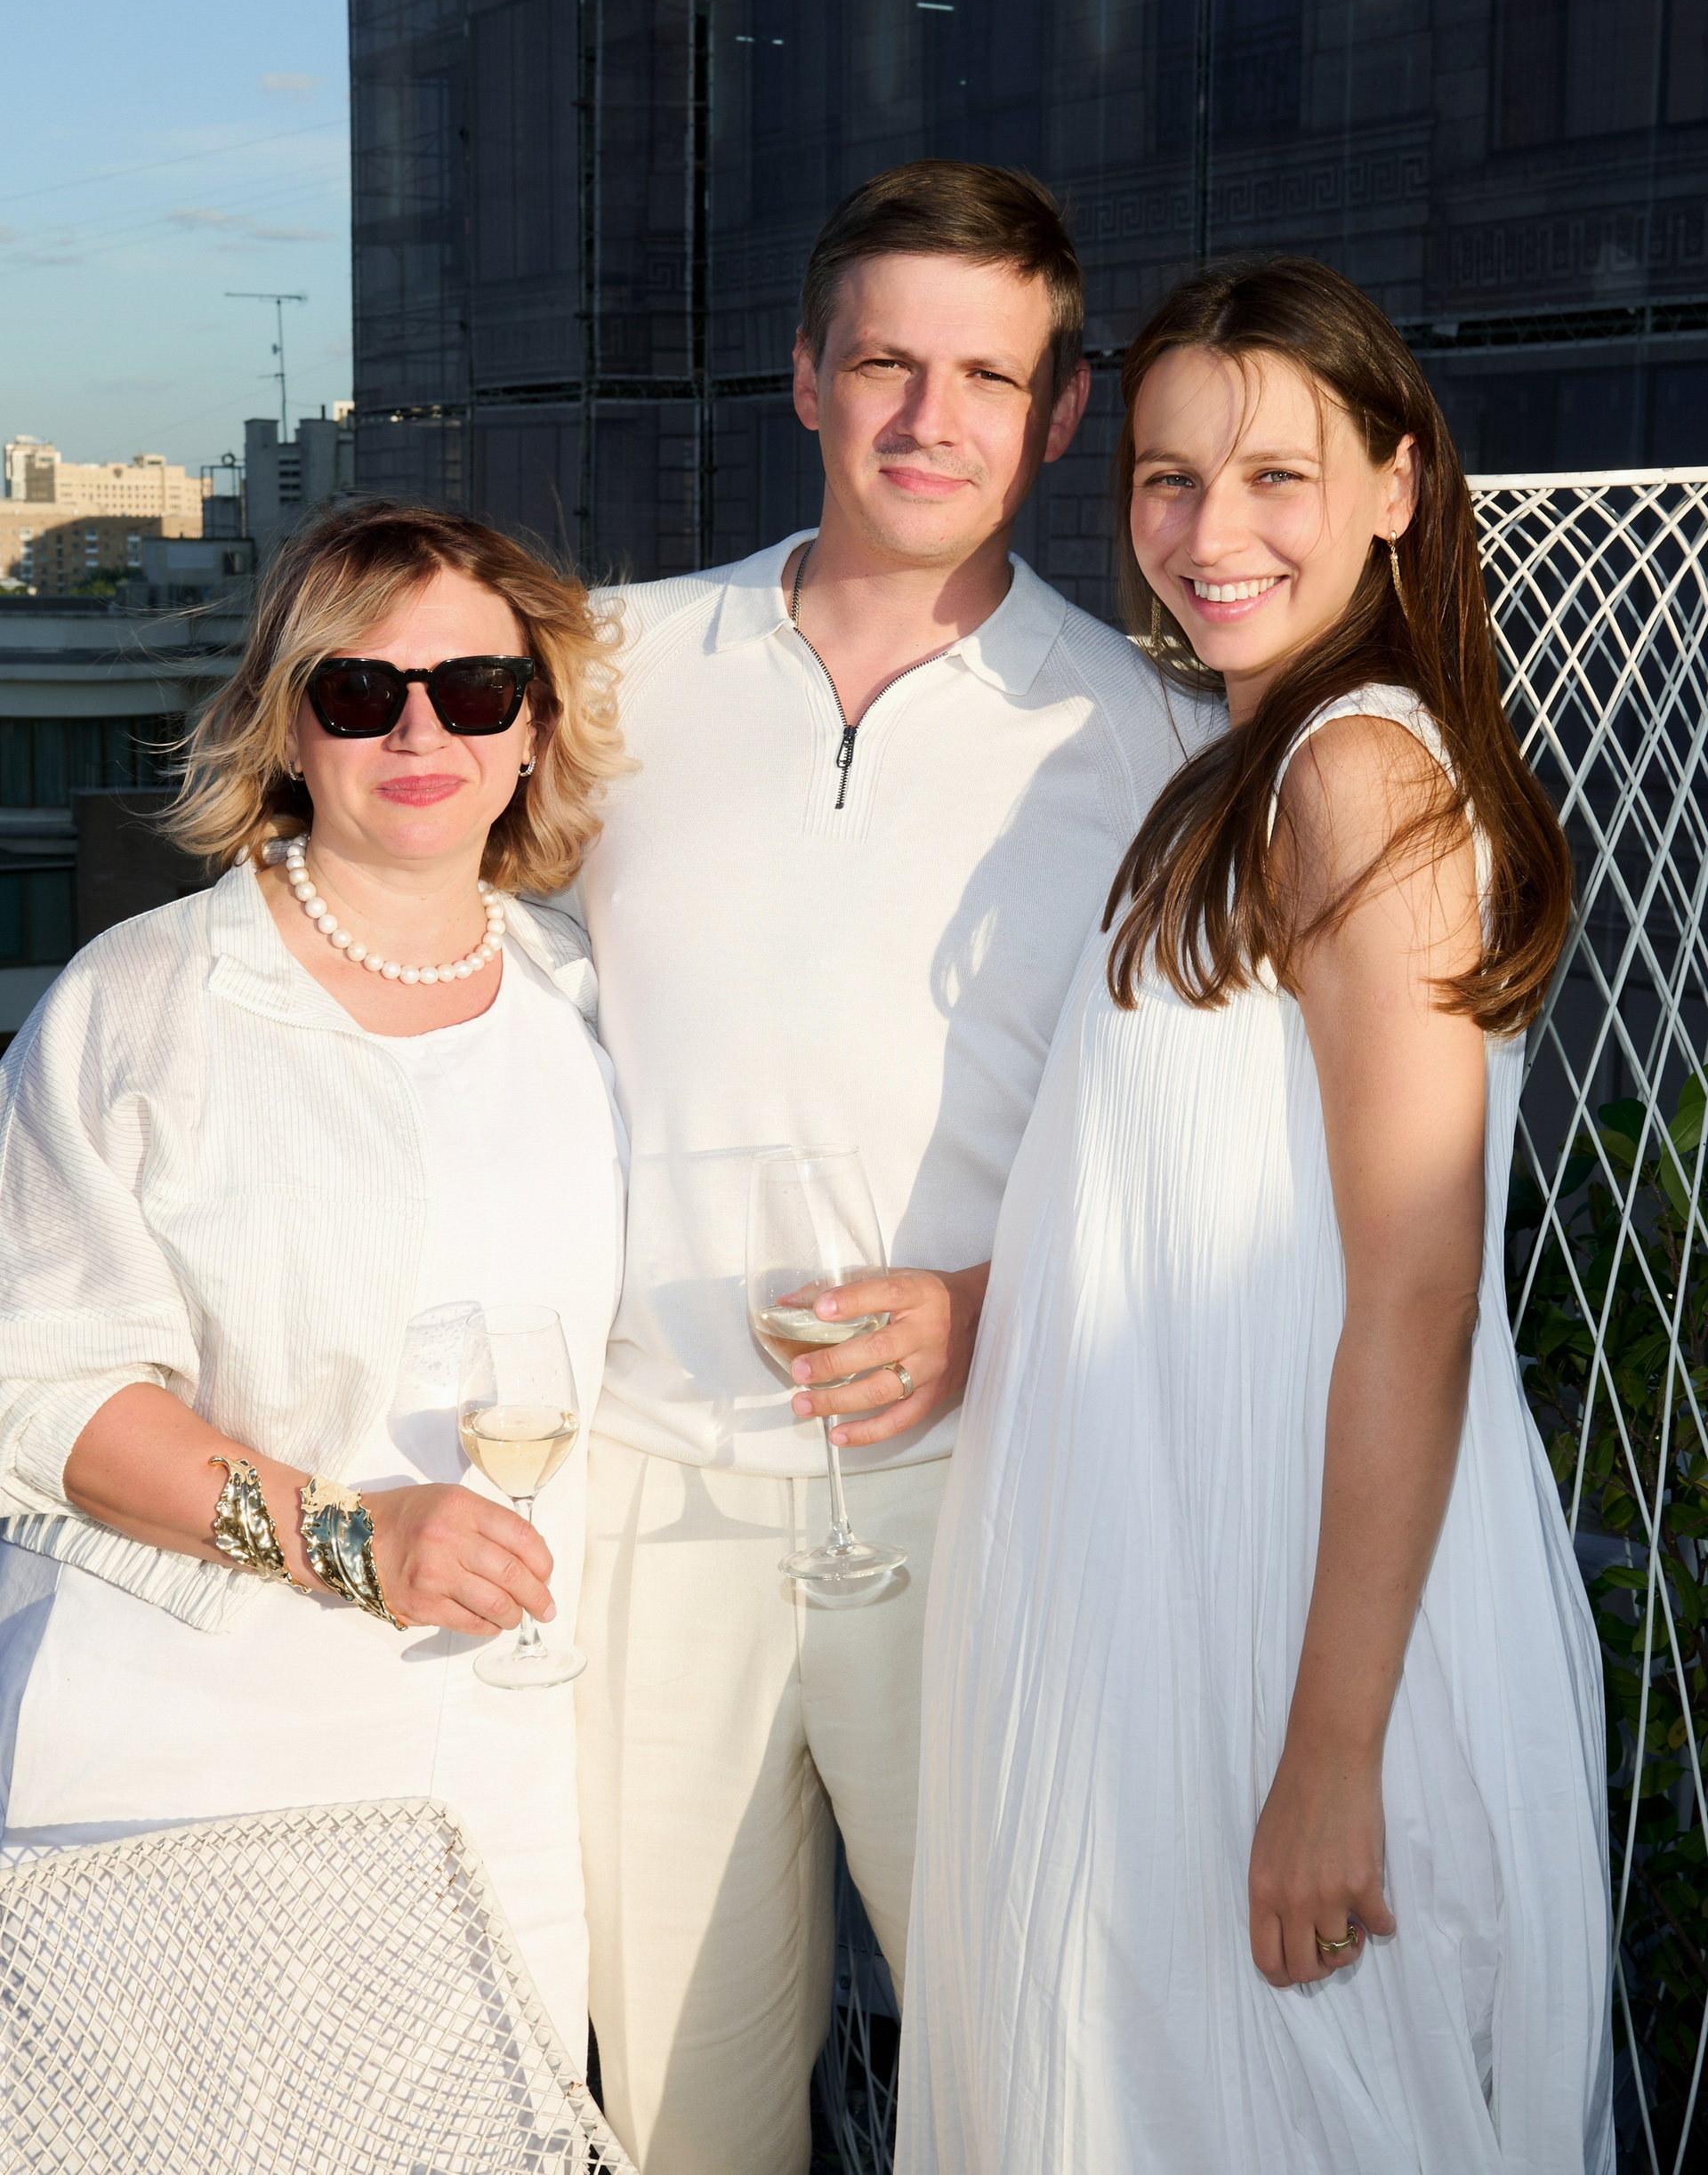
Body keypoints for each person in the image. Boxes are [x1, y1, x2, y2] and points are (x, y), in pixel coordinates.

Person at [898, 258, 1614, 2172]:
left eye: (1277, 476)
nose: (1212, 533)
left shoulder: (1354, 768)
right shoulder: (1256, 762)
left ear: (1396, 484)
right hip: (1199, 1580)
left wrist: (1329, 1754)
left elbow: (1421, 1288)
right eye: (1169, 478)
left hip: (1286, 1622)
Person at [560, 161, 1218, 2174]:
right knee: (675, 2116)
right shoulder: (603, 668)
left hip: (988, 1499)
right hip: (646, 1498)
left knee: (1028, 2094)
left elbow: (1200, 1157)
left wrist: (987, 1308)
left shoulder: (1153, 743)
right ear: (806, 378)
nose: (931, 419)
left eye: (988, 377)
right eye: (885, 366)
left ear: (1063, 410)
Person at [0, 499, 626, 2063]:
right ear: (289, 725)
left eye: (475, 688)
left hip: (502, 1776)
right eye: (360, 690)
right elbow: (42, 1394)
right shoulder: (144, 1001)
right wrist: (354, 1541)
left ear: (534, 728)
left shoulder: (584, 1000)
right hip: (195, 1771)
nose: (421, 729)